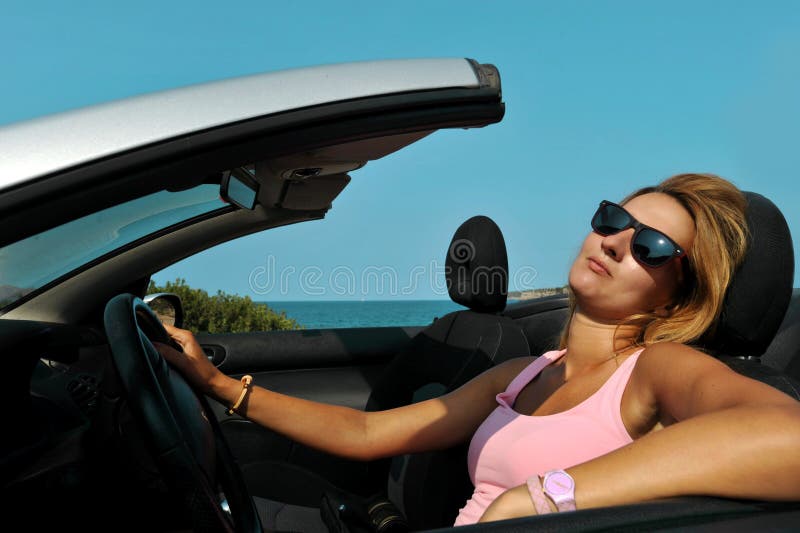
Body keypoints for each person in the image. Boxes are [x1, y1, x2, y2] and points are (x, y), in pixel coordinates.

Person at [155, 173, 800, 526]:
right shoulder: (526, 372)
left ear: (673, 295)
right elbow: (368, 433)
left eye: (652, 246)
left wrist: (547, 496)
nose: (614, 242)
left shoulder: (657, 369)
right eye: (611, 219)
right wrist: (217, 386)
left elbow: (789, 439)